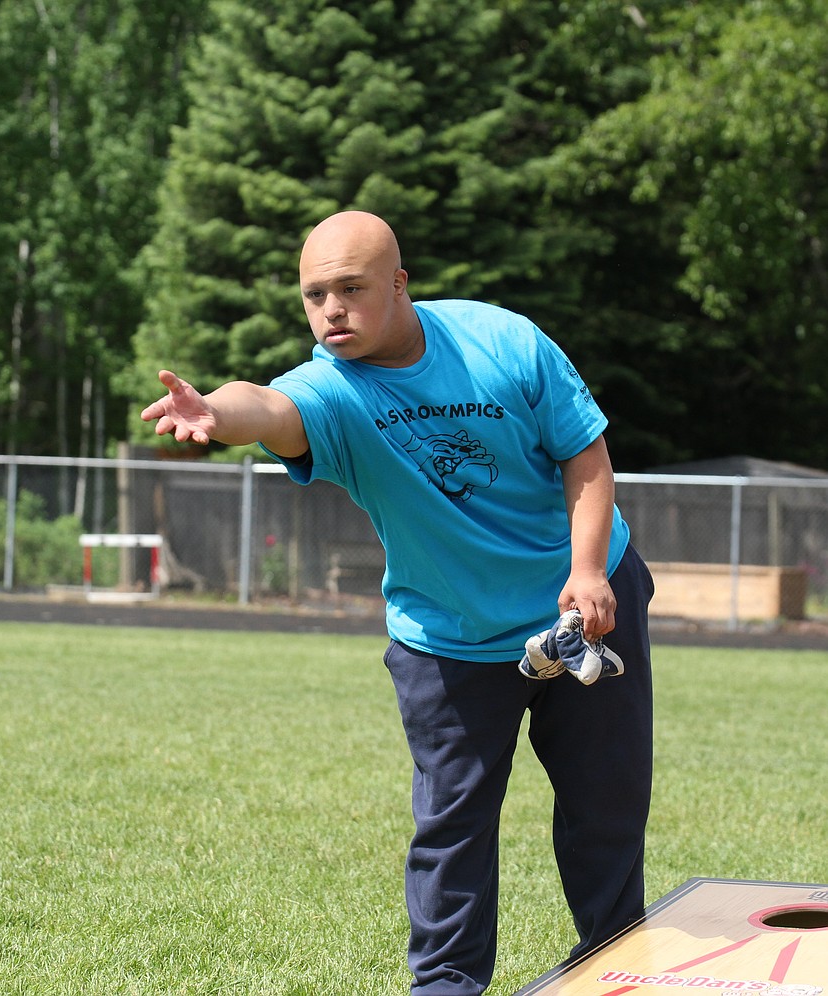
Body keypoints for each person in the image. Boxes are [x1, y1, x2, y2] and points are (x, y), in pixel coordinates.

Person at [141, 210, 654, 995]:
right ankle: (444, 988)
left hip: (583, 604)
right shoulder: (332, 389)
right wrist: (217, 411)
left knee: (604, 810)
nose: (332, 310)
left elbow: (584, 454)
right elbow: (268, 408)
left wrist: (589, 572)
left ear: (400, 284)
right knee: (451, 830)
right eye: (315, 295)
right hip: (447, 637)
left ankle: (619, 971)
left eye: (352, 288)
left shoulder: (503, 342)